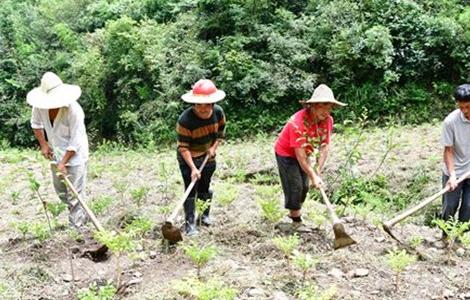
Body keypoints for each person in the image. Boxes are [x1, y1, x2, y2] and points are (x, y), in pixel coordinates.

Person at [274, 84, 346, 228]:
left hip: (305, 152)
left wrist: (318, 169)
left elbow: (324, 146)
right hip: (287, 153)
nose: (326, 112)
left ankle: (294, 212)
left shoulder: (328, 121)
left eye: (329, 107)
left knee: (305, 187)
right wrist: (313, 175)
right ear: (312, 106)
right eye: (322, 107)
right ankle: (296, 221)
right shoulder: (297, 123)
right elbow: (299, 156)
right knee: (295, 185)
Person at [27, 72, 89, 229]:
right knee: (62, 191)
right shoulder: (39, 106)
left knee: (75, 192)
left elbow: (76, 140)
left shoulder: (74, 110)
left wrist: (64, 162)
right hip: (56, 153)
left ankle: (76, 228)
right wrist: (44, 144)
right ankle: (81, 215)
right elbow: (36, 124)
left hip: (75, 156)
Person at [177, 79, 226, 236]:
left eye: (206, 104)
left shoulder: (218, 112)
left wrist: (213, 148)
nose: (202, 108)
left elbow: (220, 134)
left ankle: (204, 216)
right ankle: (189, 224)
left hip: (208, 157)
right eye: (198, 104)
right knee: (191, 190)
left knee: (205, 187)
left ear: (212, 103)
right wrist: (193, 168)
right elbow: (183, 147)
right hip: (189, 159)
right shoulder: (185, 120)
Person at [440, 84, 470, 226]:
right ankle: (445, 237)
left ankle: (459, 240)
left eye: (468, 107)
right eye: (461, 107)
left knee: (468, 207)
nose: (464, 111)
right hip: (455, 170)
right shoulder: (450, 122)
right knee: (449, 206)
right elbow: (448, 151)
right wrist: (452, 175)